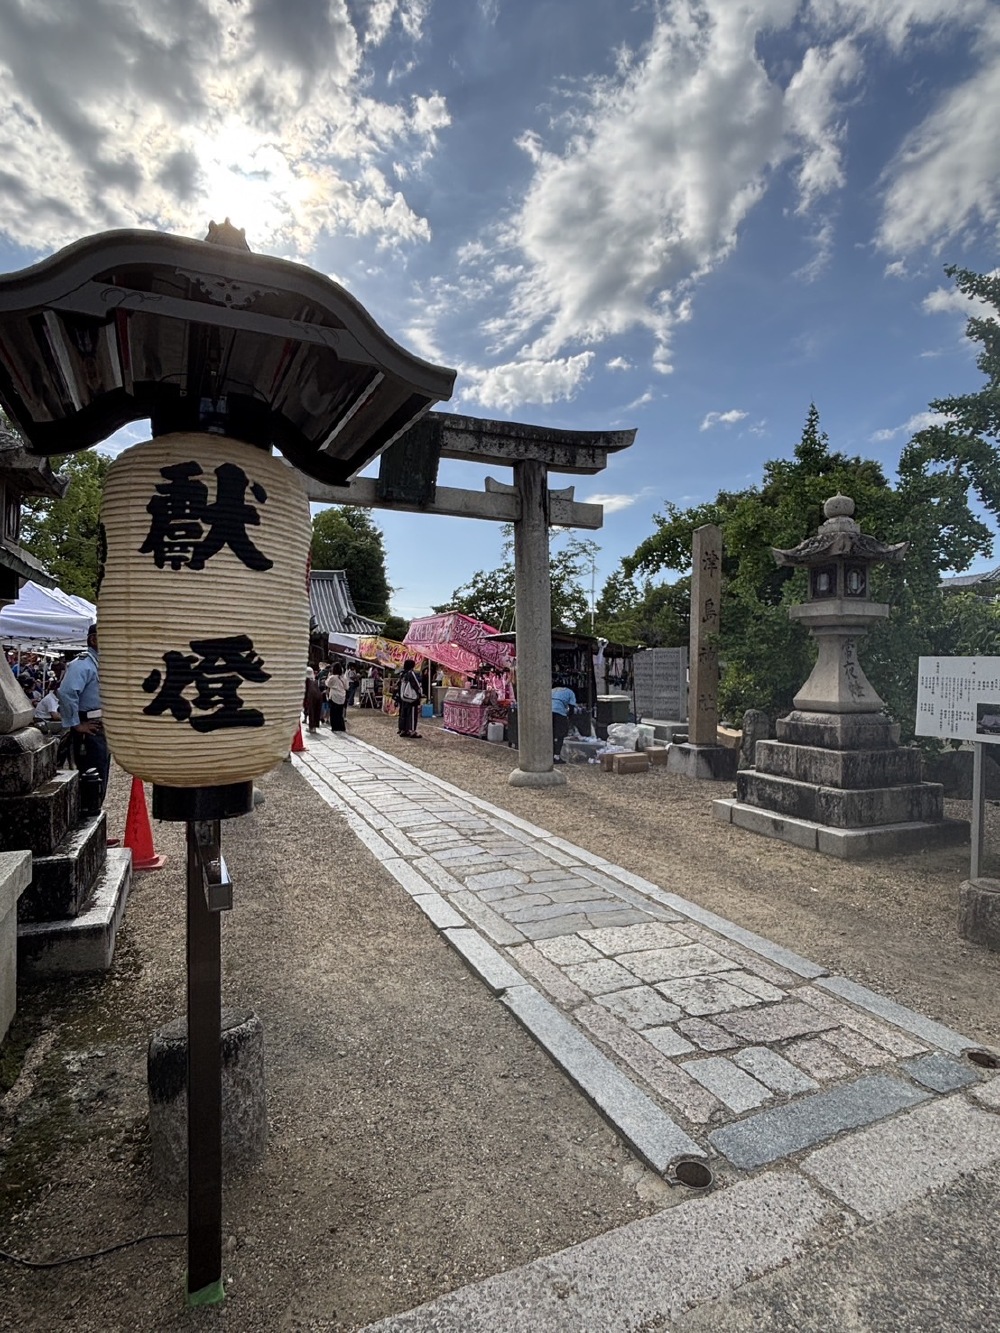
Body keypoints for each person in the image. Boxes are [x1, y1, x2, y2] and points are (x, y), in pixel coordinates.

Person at [57, 623, 111, 802]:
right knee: (90, 775)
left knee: (100, 772)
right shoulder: (84, 664)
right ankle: (87, 812)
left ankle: (94, 809)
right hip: (88, 726)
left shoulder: (100, 663)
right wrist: (76, 724)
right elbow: (67, 692)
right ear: (94, 639)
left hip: (100, 726)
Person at [551, 684, 577, 764]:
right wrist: (569, 719)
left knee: (551, 734)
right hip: (560, 713)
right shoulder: (570, 692)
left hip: (548, 712)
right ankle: (556, 756)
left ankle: (549, 755)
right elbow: (571, 708)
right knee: (560, 735)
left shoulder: (553, 689)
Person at [396, 658, 423, 738]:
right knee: (412, 714)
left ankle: (403, 729)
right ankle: (412, 731)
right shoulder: (411, 673)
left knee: (403, 713)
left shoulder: (402, 674)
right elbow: (416, 684)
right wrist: (420, 693)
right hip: (411, 698)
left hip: (403, 697)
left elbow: (398, 685)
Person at [326, 662, 348, 731]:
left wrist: (329, 676)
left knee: (333, 713)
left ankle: (335, 727)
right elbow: (347, 687)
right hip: (342, 696)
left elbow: (327, 684)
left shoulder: (333, 677)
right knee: (340, 713)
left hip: (334, 696)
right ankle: (341, 727)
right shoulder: (344, 677)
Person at [303, 667, 324, 733]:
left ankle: (311, 727)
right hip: (318, 696)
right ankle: (314, 727)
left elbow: (305, 691)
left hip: (311, 696)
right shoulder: (314, 680)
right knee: (316, 712)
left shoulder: (306, 680)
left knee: (311, 712)